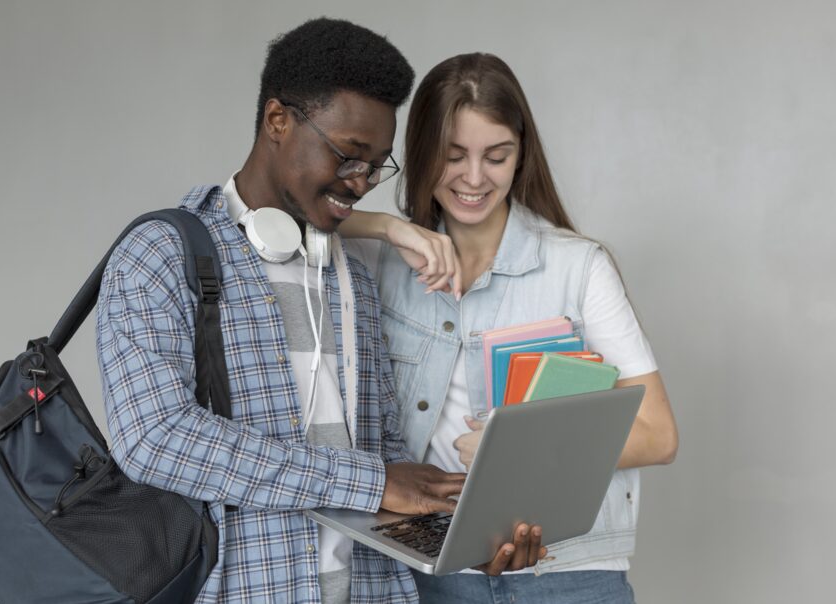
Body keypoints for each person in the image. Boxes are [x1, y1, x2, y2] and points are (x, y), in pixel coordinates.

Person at [96, 21, 541, 604]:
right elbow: (154, 439)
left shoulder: (349, 270)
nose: (361, 182)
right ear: (278, 121)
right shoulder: (159, 255)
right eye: (349, 155)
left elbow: (385, 447)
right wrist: (372, 481)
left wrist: (460, 531)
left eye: (378, 164)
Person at [341, 53, 679, 603]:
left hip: (568, 573)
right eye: (454, 157)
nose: (474, 179)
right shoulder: (377, 259)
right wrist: (386, 226)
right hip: (426, 575)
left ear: (521, 156)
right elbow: (278, 214)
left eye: (496, 157)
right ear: (422, 154)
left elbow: (659, 435)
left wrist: (516, 451)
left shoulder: (579, 266)